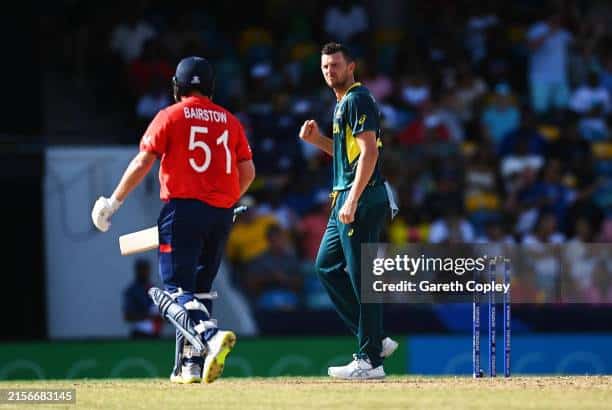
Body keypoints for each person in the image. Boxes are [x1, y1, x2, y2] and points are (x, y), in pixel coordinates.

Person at [91, 56, 256, 384]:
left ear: (177, 86)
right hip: (221, 214)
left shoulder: (170, 116)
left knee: (176, 290)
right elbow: (248, 172)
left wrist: (112, 202)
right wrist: (226, 200)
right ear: (211, 87)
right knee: (200, 292)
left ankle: (209, 337)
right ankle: (189, 366)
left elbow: (143, 162)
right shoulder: (230, 121)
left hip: (182, 211)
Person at [298, 42, 398, 380]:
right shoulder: (343, 103)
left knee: (361, 279)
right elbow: (347, 156)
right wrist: (318, 142)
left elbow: (369, 153)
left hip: (361, 197)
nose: (330, 71)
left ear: (351, 66)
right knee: (326, 266)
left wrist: (353, 199)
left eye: (336, 65)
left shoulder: (357, 98)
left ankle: (370, 361)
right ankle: (375, 340)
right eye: (325, 67)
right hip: (345, 196)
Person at [122, 258, 163, 338]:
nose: (144, 272)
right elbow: (127, 316)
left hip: (156, 334)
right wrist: (150, 316)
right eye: (141, 269)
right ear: (136, 271)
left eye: (146, 269)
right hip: (139, 334)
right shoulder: (131, 291)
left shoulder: (154, 289)